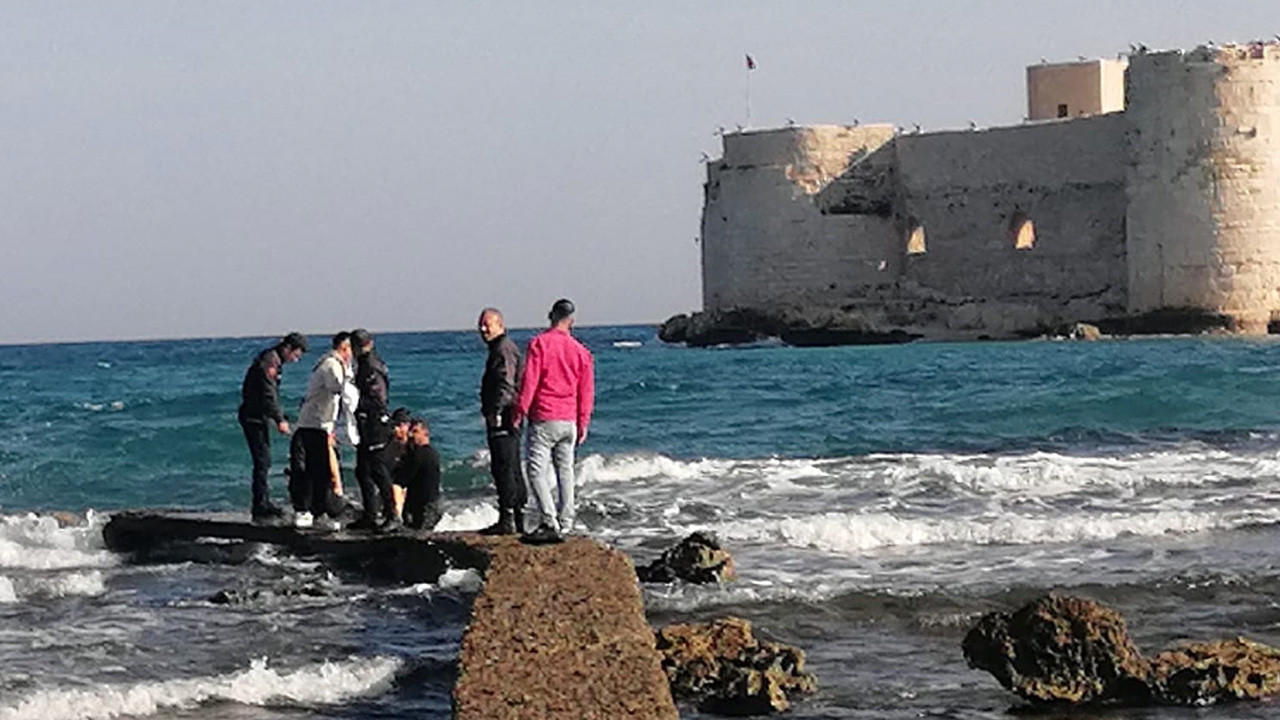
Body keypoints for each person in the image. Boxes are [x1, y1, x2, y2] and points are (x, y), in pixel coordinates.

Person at [513, 299, 595, 544]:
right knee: (565, 471)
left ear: (551, 316)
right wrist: (583, 422)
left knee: (536, 471)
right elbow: (586, 391)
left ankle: (549, 520)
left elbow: (530, 382)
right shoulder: (581, 352)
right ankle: (566, 521)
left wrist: (520, 411)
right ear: (571, 321)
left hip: (545, 415)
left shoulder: (540, 344)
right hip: (569, 418)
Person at [238, 332, 307, 522]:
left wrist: (279, 415)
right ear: (288, 348)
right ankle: (260, 505)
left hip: (258, 415)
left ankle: (263, 501)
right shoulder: (270, 361)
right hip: (253, 417)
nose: (296, 359)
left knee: (264, 461)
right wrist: (279, 419)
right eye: (296, 354)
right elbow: (268, 393)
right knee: (262, 461)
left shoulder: (274, 359)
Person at [290, 332, 354, 531]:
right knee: (312, 471)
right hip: (313, 425)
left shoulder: (331, 363)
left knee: (319, 471)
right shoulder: (331, 365)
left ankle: (316, 511)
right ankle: (308, 511)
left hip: (321, 425)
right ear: (345, 348)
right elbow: (336, 387)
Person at [477, 308, 526, 535]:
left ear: (500, 325)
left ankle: (509, 518)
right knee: (509, 465)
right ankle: (515, 516)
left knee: (505, 466)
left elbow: (506, 382)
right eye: (481, 324)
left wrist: (496, 412)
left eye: (487, 324)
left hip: (505, 416)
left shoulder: (503, 349)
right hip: (507, 415)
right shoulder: (499, 348)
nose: (482, 329)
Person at [349, 328, 395, 531]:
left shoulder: (370, 366)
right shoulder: (366, 363)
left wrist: (357, 405)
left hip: (375, 421)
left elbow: (378, 398)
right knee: (363, 470)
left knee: (378, 469)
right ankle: (370, 513)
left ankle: (392, 514)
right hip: (366, 421)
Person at [393, 417, 442, 531]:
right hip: (431, 505)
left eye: (415, 431)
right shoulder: (432, 453)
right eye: (410, 431)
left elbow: (401, 480)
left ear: (425, 433)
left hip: (423, 507)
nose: (411, 435)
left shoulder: (419, 454)